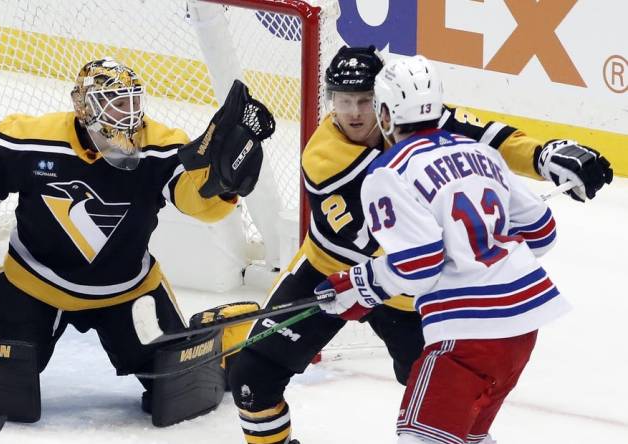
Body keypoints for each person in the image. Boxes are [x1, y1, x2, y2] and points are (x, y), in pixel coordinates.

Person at [225, 46, 612, 444]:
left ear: (385, 105)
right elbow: (382, 245)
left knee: (447, 413)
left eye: (364, 101)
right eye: (343, 101)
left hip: (411, 291)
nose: (355, 113)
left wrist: (542, 154)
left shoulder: (411, 122)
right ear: (331, 101)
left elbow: (485, 135)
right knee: (252, 379)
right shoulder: (326, 158)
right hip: (330, 272)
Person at [0, 57, 274, 425]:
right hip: (33, 286)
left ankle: (225, 333)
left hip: (128, 291)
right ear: (83, 107)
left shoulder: (160, 145)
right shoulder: (29, 138)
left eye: (132, 102)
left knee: (180, 390)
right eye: (114, 103)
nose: (128, 114)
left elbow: (193, 198)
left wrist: (221, 181)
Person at [315, 54, 570, 443]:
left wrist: (358, 284)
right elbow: (543, 232)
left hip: (468, 334)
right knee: (466, 436)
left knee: (422, 437)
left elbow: (419, 266)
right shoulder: (482, 153)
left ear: (385, 114)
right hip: (523, 330)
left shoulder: (388, 171)